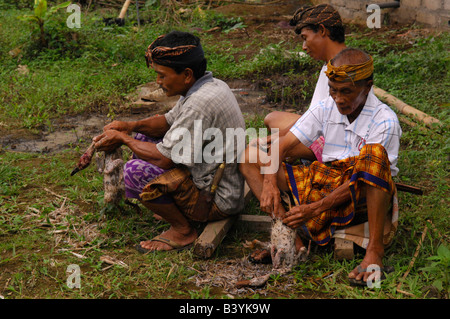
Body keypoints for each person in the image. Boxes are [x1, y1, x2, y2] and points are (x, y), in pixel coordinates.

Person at [240, 48, 402, 285]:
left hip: (359, 193)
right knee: (249, 156)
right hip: (322, 180)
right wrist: (269, 183)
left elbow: (358, 181)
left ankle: (374, 251)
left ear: (367, 87)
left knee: (373, 156)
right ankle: (289, 237)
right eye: (333, 91)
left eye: (346, 91)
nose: (339, 99)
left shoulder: (385, 121)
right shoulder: (327, 107)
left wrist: (315, 208)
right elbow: (282, 146)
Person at [93, 31, 245, 252]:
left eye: (162, 75)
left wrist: (123, 139)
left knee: (134, 171)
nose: (158, 82)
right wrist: (130, 127)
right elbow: (166, 122)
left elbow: (164, 159)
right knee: (144, 136)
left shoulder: (199, 104)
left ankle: (183, 230)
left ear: (186, 74)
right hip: (218, 179)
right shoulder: (209, 85)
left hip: (217, 200)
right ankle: (170, 206)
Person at [264, 4, 348, 163]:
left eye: (305, 38)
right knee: (272, 119)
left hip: (335, 142)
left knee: (269, 151)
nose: (303, 47)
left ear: (322, 31)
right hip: (320, 128)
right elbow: (314, 116)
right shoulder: (330, 63)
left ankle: (290, 179)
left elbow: (326, 126)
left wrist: (284, 139)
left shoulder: (342, 70)